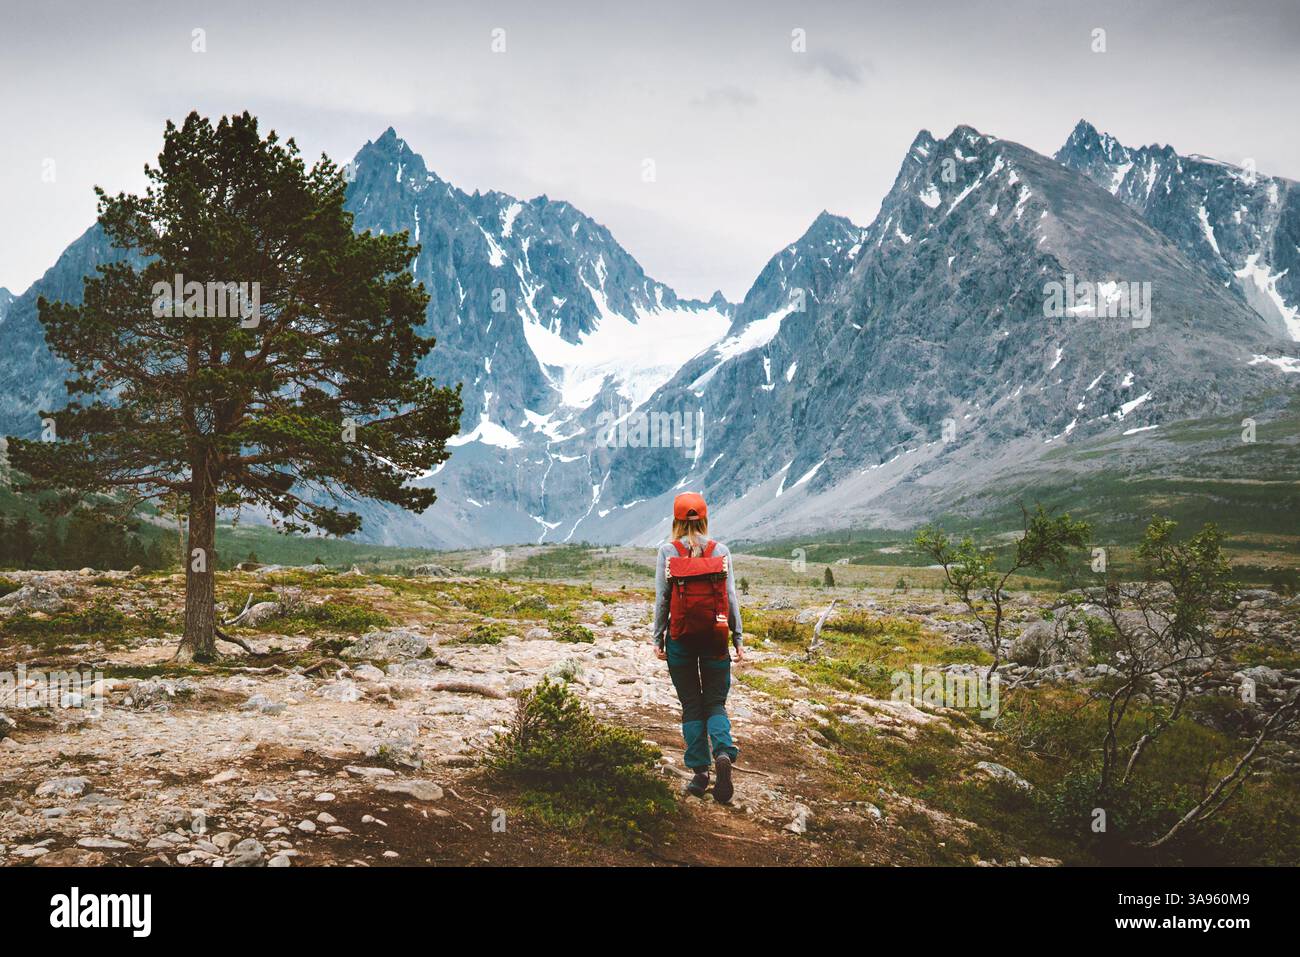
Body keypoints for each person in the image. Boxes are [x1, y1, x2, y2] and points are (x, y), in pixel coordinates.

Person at [653, 492, 744, 803]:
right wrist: (738, 637)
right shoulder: (721, 551)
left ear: (676, 520)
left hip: (680, 639)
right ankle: (722, 752)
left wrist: (657, 636)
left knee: (692, 704)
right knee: (715, 702)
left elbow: (662, 599)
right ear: (705, 518)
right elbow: (731, 599)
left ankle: (700, 772)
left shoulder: (668, 551)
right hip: (715, 637)